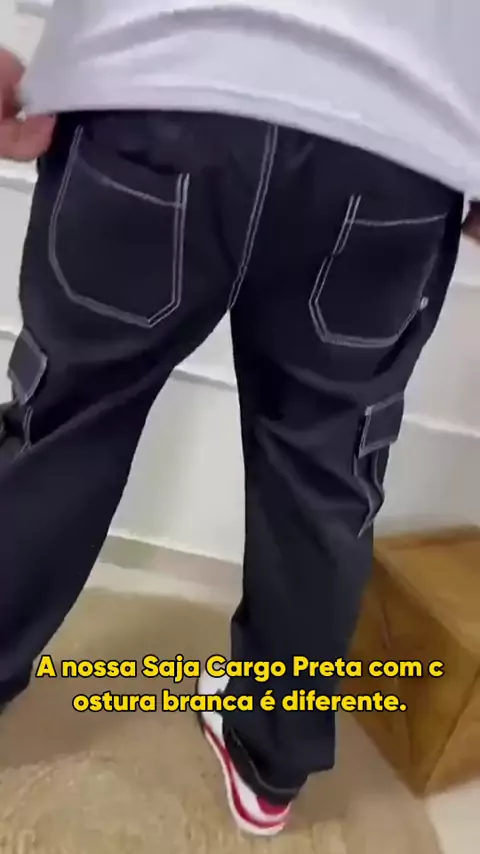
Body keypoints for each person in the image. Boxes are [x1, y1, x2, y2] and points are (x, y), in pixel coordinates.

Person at [0, 1, 479, 836]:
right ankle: (272, 756)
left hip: (154, 87)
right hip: (395, 144)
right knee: (325, 469)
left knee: (64, 429)